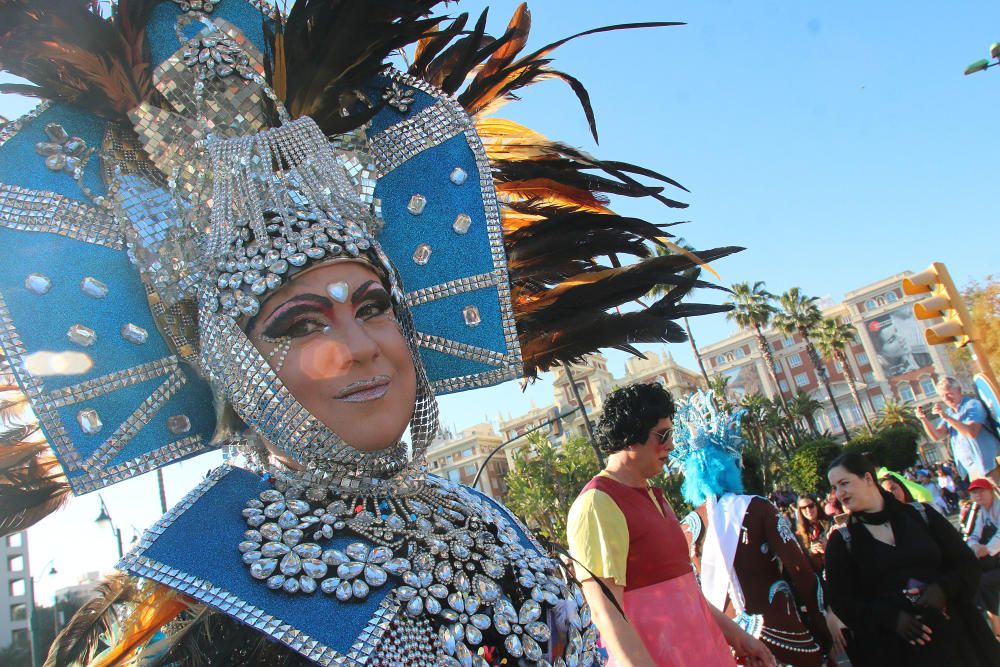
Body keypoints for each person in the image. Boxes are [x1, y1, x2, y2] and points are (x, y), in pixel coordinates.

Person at [0, 3, 742, 664]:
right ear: (225, 355)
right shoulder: (214, 598)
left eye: (374, 304)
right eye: (299, 323)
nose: (361, 347)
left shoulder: (486, 519)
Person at [566, 383, 776, 667]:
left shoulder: (655, 496)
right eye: (662, 435)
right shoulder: (597, 503)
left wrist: (737, 636)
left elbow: (686, 592)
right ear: (630, 435)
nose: (671, 445)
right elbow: (606, 612)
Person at [671, 392, 831, 666]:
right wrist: (822, 626)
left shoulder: (684, 527)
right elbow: (801, 570)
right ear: (731, 463)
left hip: (727, 646)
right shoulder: (758, 507)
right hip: (783, 637)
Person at [824, 452, 1000, 666]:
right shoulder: (841, 541)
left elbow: (966, 563)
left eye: (844, 483)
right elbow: (843, 601)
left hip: (959, 642)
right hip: (897, 653)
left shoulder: (921, 515)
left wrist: (943, 589)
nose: (839, 493)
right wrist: (891, 618)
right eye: (834, 488)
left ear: (868, 479)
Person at [917, 376, 1000, 484]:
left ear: (959, 390)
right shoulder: (950, 412)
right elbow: (937, 436)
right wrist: (923, 419)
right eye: (942, 396)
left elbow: (971, 432)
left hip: (988, 465)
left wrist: (946, 417)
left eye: (949, 394)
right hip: (971, 470)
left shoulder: (972, 405)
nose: (946, 398)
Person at [964, 478, 1000, 634]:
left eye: (981, 491)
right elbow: (973, 536)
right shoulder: (980, 512)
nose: (978, 495)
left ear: (991, 491)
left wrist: (987, 548)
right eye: (974, 493)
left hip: (995, 559)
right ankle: (995, 626)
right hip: (993, 561)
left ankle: (993, 625)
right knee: (973, 578)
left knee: (982, 583)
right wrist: (975, 546)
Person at [794, 495, 830, 573]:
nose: (808, 510)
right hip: (818, 574)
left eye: (811, 506)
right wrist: (812, 551)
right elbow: (800, 559)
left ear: (816, 506)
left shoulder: (830, 523)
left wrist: (829, 544)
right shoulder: (799, 534)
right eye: (803, 508)